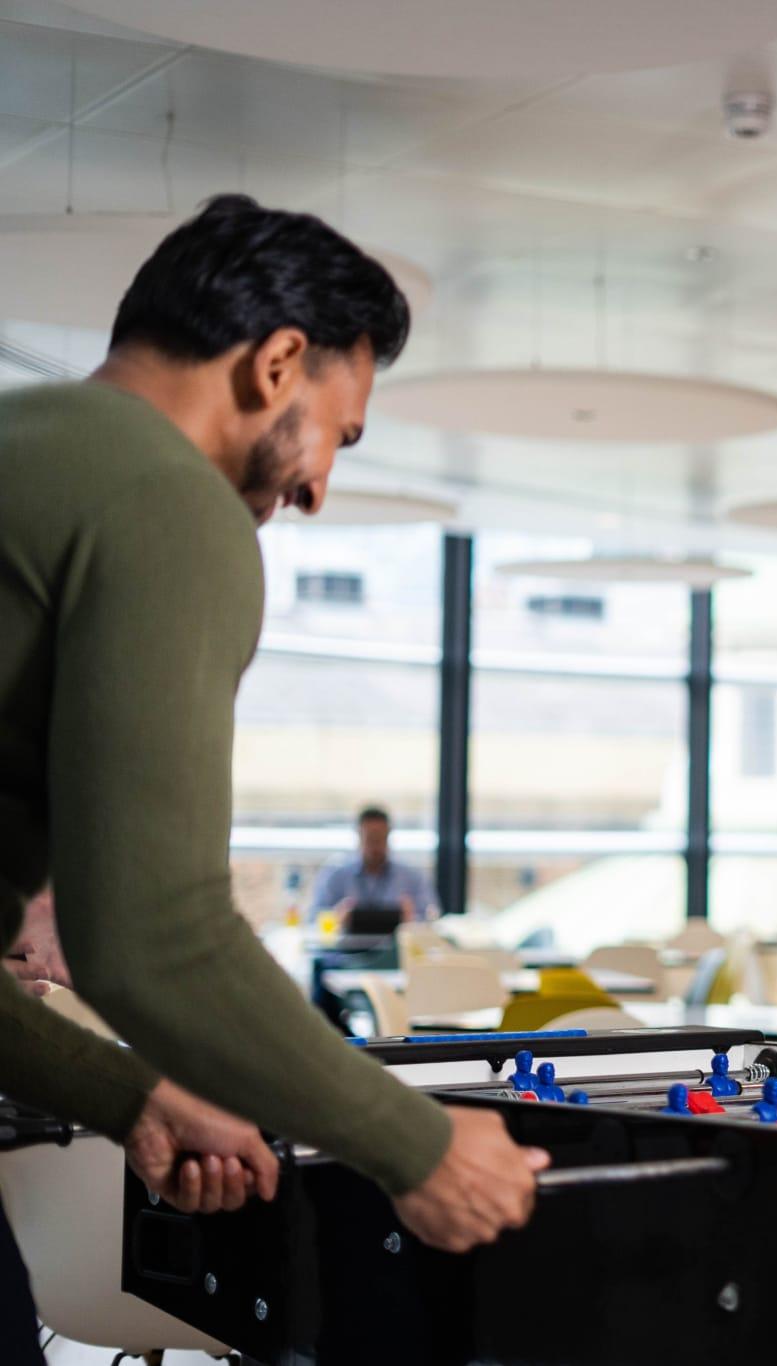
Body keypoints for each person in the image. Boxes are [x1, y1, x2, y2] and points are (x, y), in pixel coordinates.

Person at [0, 196, 548, 1356]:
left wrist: (135, 1097)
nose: (315, 493)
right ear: (276, 362)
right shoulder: (167, 501)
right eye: (334, 437)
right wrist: (420, 1146)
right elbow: (157, 938)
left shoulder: (30, 445)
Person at [314, 806, 438, 920]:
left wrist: (411, 919)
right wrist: (336, 918)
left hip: (398, 942)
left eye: (380, 838)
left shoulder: (412, 877)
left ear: (388, 836)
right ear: (359, 836)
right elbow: (313, 917)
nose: (375, 846)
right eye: (370, 838)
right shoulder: (336, 875)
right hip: (347, 943)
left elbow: (432, 918)